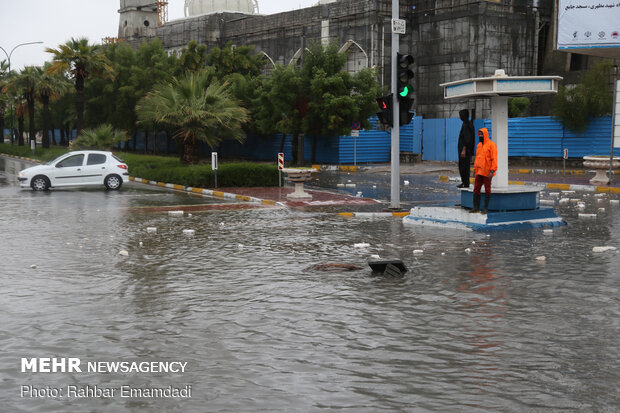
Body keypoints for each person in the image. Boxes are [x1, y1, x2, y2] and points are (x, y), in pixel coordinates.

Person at [470, 127, 497, 214]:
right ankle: (476, 207)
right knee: (476, 188)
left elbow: (494, 159)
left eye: (482, 134)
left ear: (485, 135)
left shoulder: (491, 145)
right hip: (479, 171)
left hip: (487, 172)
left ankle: (485, 208)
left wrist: (492, 171)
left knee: (487, 189)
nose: (480, 136)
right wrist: (474, 169)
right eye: (479, 134)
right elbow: (477, 158)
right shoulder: (479, 145)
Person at [457, 109, 475, 188]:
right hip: (466, 150)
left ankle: (465, 183)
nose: (460, 117)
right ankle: (464, 182)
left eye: (460, 115)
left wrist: (463, 150)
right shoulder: (468, 123)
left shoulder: (466, 125)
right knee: (464, 166)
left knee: (463, 167)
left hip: (465, 151)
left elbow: (467, 139)